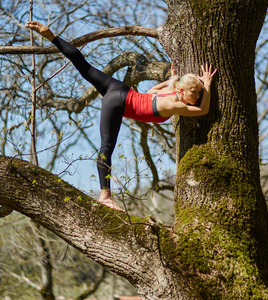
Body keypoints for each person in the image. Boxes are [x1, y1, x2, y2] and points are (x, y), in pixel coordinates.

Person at [25, 21, 217, 212]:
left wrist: (170, 81)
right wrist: (207, 84)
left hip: (118, 89)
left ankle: (51, 36)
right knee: (106, 146)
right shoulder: (176, 104)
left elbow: (150, 92)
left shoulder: (169, 91)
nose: (199, 96)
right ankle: (105, 196)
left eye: (200, 92)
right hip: (118, 102)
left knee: (85, 67)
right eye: (197, 92)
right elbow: (203, 110)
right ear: (182, 91)